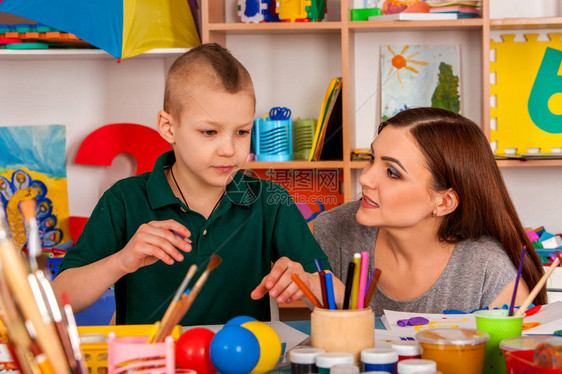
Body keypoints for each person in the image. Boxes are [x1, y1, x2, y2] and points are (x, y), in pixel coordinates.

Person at [53, 43, 332, 325]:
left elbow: (341, 301)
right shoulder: (124, 200)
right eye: (209, 132)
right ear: (168, 127)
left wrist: (306, 283)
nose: (229, 149)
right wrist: (121, 261)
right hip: (152, 365)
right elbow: (57, 299)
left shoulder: (270, 201)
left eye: (242, 131)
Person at [314, 107, 546, 315]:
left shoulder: (490, 272)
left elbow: (516, 356)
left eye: (392, 172)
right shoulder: (335, 229)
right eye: (372, 159)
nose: (365, 178)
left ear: (444, 202)